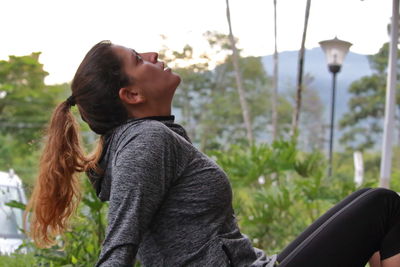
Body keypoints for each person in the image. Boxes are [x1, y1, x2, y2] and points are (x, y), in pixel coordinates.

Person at [24, 40, 400, 267]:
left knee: (373, 200)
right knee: (383, 205)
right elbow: (119, 244)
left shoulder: (150, 138)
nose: (154, 54)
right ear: (132, 95)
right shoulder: (148, 142)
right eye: (139, 59)